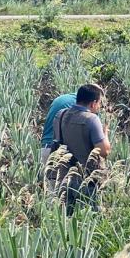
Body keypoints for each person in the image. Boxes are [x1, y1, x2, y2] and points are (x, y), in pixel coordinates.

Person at [51, 83, 111, 214]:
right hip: (88, 178)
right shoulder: (92, 119)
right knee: (91, 216)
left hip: (65, 176)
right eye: (99, 103)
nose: (99, 107)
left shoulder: (60, 115)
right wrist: (105, 133)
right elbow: (104, 151)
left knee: (67, 218)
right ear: (93, 103)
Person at [40, 91, 77, 175]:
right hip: (60, 152)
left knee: (48, 185)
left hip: (45, 147)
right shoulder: (83, 106)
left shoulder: (60, 99)